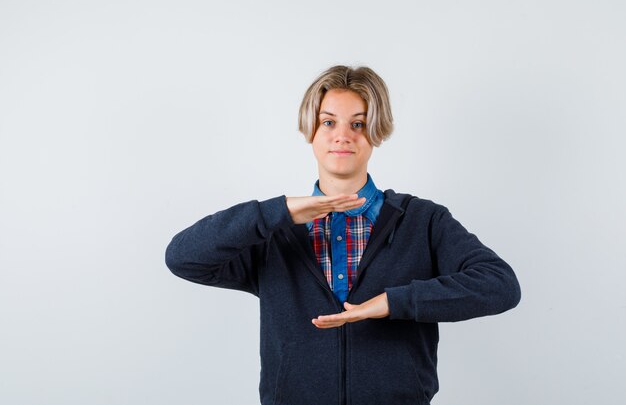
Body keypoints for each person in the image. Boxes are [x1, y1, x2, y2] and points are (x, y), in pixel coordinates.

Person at [165, 65, 521, 405]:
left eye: (359, 123)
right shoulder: (275, 232)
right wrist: (280, 211)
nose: (343, 136)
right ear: (311, 130)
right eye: (329, 122)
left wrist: (393, 302)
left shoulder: (423, 221)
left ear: (376, 132)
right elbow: (183, 257)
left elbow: (500, 285)